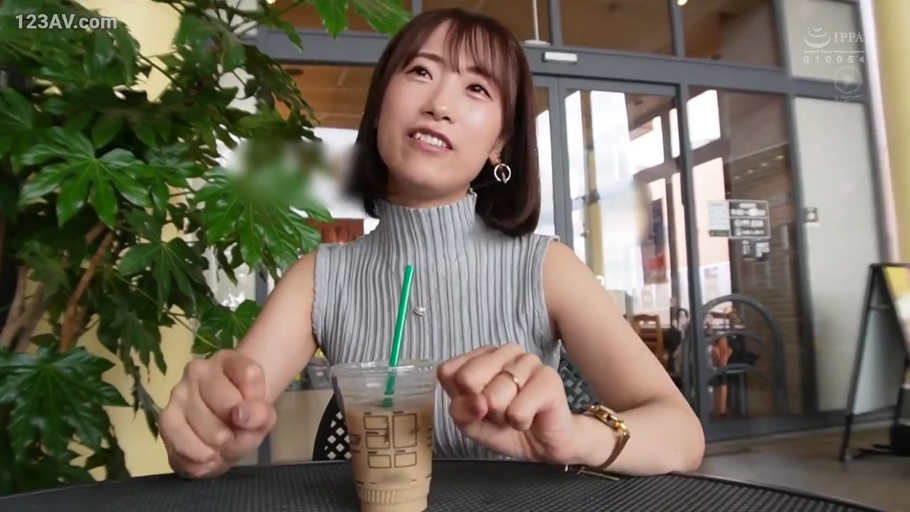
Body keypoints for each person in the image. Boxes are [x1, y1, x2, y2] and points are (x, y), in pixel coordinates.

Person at [159, 8, 704, 480]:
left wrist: (576, 438)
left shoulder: (545, 267)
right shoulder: (319, 277)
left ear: (499, 142)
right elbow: (227, 423)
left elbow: (681, 434)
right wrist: (204, 431)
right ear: (380, 107)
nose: (440, 103)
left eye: (477, 88)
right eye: (421, 71)